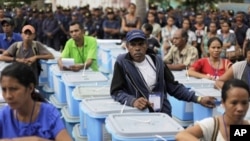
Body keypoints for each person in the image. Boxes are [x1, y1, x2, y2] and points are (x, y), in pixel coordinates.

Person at [110, 29, 216, 116]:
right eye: (133, 45)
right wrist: (132, 101)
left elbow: (173, 86)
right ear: (127, 46)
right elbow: (116, 91)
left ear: (146, 45)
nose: (137, 48)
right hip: (138, 115)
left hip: (161, 112)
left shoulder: (157, 61)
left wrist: (198, 99)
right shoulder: (122, 63)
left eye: (140, 44)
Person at [0, 62, 72, 141]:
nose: (8, 96)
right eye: (4, 90)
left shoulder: (49, 114)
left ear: (30, 88)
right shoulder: (3, 116)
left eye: (13, 89)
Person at [176, 79, 250, 141]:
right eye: (234, 103)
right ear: (223, 103)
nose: (240, 108)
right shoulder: (213, 125)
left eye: (244, 103)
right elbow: (182, 135)